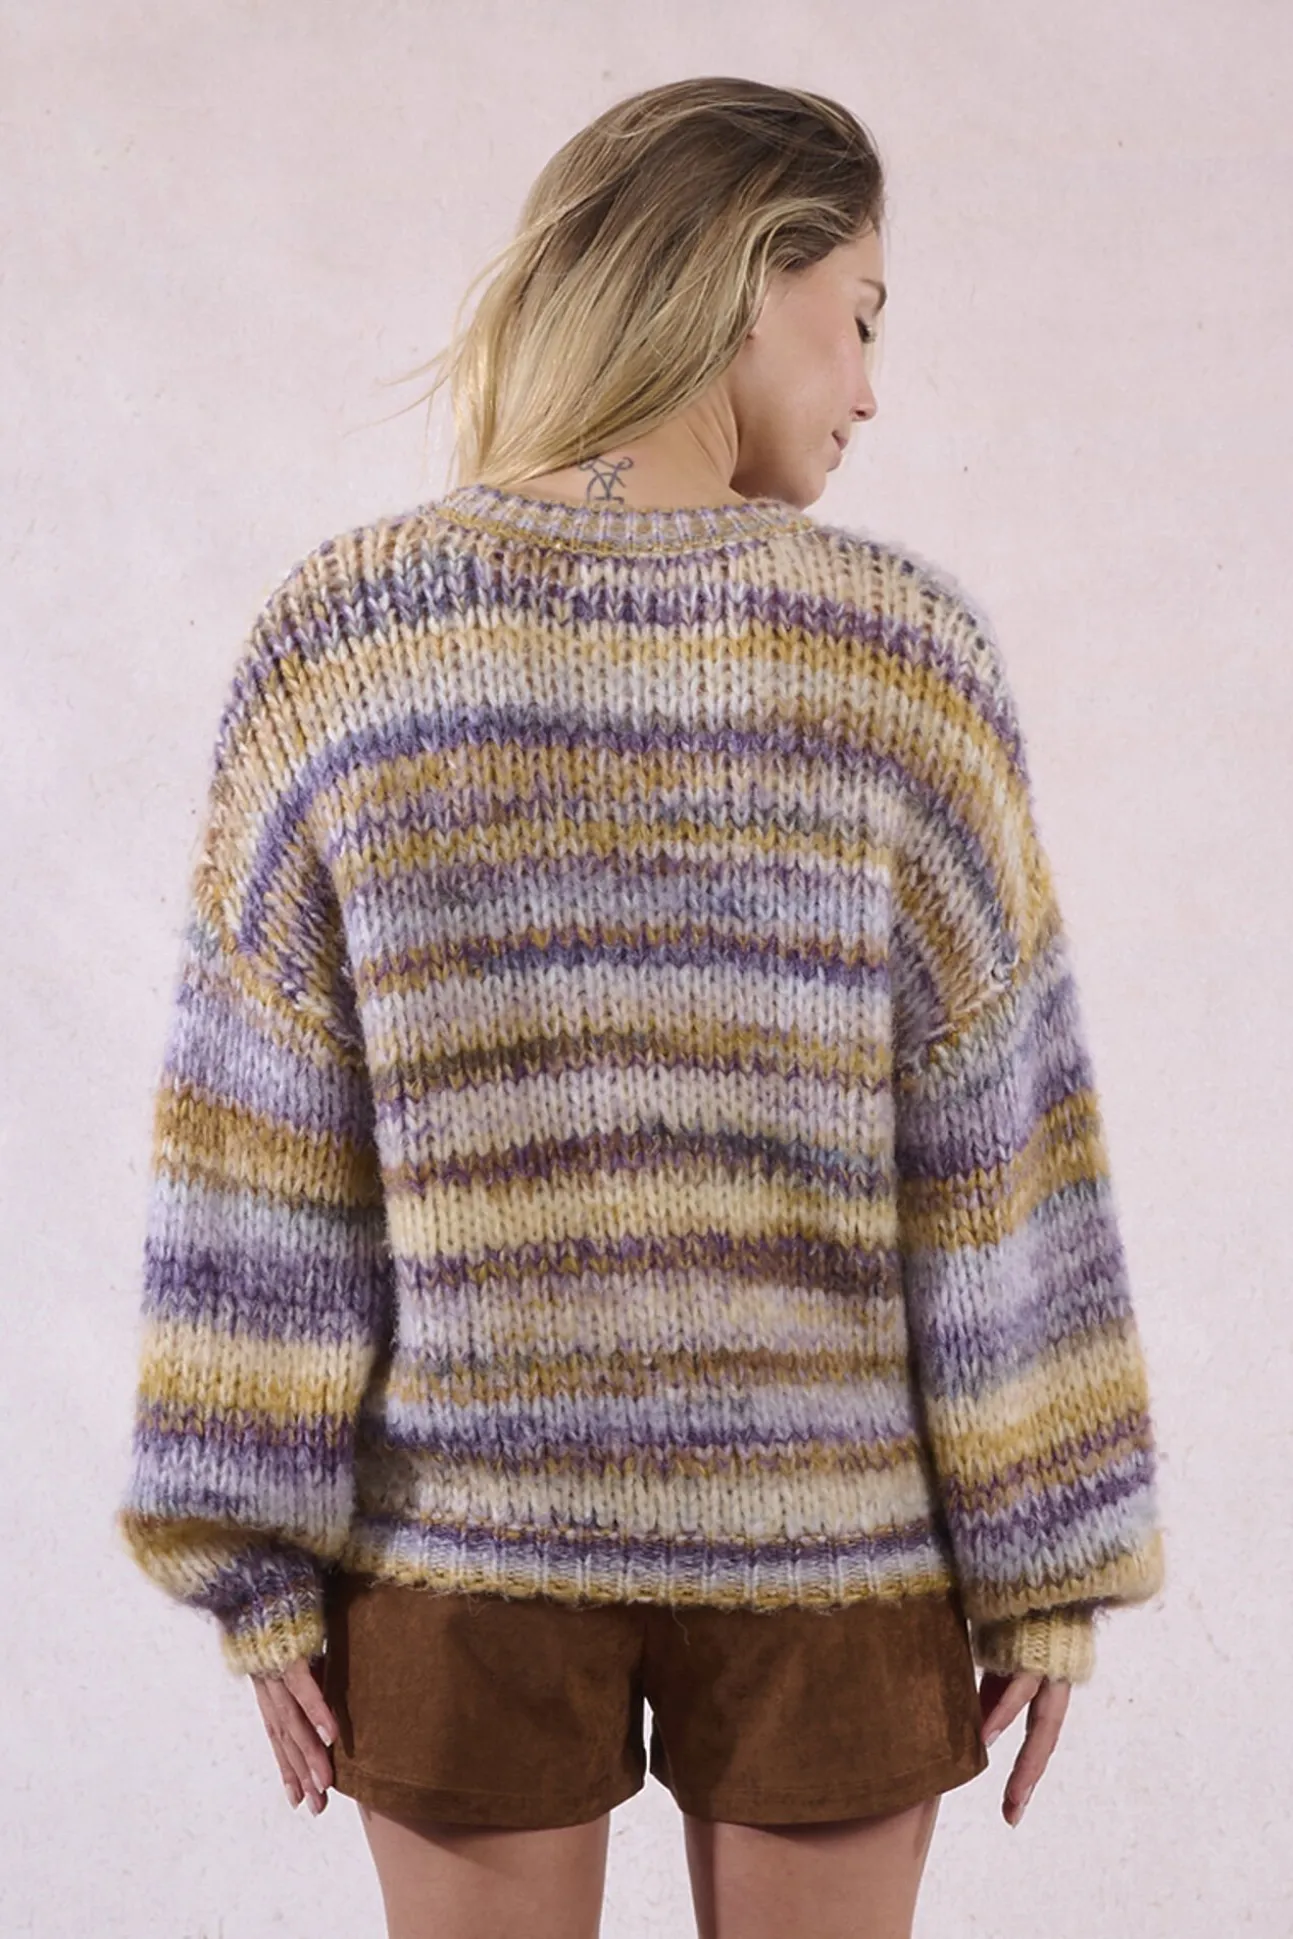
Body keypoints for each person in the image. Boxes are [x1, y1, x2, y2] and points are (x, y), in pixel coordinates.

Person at [114, 75, 1165, 1939]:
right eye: (860, 318)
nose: (870, 389)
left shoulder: (347, 637)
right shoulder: (901, 655)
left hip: (460, 1557)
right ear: (752, 279)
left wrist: (249, 1546)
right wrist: (1046, 1549)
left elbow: (264, 1136)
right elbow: (995, 1145)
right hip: (835, 1551)